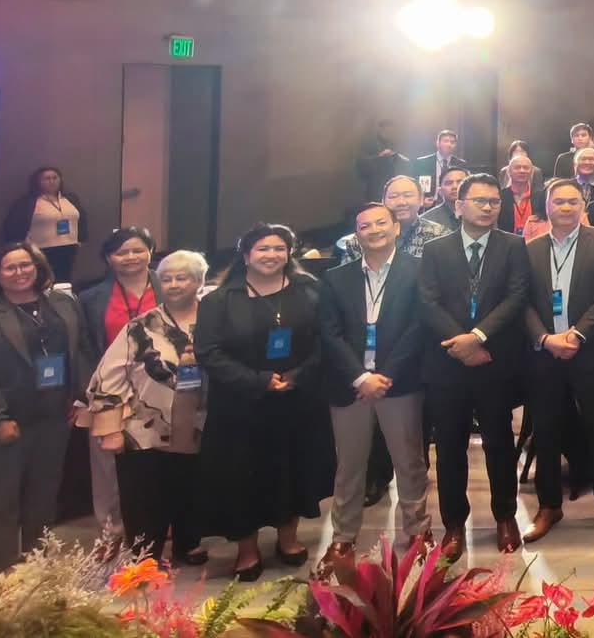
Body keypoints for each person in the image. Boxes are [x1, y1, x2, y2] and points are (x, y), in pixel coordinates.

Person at [196, 224, 335, 580]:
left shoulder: (311, 291)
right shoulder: (218, 300)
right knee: (242, 476)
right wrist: (257, 380)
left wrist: (298, 375)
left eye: (279, 248)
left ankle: (288, 539)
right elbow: (208, 352)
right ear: (246, 255)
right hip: (240, 405)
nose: (271, 255)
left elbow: (327, 341)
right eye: (262, 249)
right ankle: (246, 550)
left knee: (292, 469)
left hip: (297, 400)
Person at [416, 174, 531, 561]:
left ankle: (505, 516)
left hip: (494, 360)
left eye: (494, 201)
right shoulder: (435, 249)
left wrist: (479, 337)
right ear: (458, 205)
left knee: (500, 443)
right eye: (479, 200)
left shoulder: (513, 246)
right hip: (448, 362)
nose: (487, 207)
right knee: (450, 446)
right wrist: (462, 343)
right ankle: (453, 524)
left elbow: (516, 297)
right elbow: (427, 301)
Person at [316, 203, 431, 578]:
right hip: (351, 386)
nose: (375, 230)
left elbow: (419, 327)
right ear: (356, 235)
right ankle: (342, 539)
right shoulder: (336, 277)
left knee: (409, 462)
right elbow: (329, 333)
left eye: (382, 222)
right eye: (365, 226)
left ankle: (418, 532)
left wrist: (386, 375)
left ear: (397, 227)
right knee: (349, 466)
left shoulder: (419, 270)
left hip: (400, 383)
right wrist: (359, 376)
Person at [0, 243, 91, 571]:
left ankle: (37, 563)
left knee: (44, 495)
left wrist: (80, 398)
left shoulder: (64, 304)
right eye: (10, 267)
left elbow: (81, 350)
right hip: (7, 422)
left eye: (26, 265)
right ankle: (4, 568)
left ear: (38, 267)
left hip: (55, 417)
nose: (20, 272)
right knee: (1, 500)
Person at [519, 180, 594, 542]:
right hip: (546, 353)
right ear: (547, 206)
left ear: (583, 205)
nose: (566, 208)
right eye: (559, 202)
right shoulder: (530, 249)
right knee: (546, 431)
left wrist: (577, 335)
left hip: (591, 350)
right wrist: (545, 339)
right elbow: (522, 301)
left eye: (572, 202)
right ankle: (549, 505)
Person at [87, 249, 208, 567]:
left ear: (199, 281)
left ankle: (188, 543)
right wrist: (110, 428)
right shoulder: (140, 326)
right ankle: (145, 557)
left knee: (191, 486)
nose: (174, 284)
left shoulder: (215, 320)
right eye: (166, 279)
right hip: (146, 426)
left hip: (200, 423)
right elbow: (107, 376)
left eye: (182, 278)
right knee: (143, 496)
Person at [78, 226, 159, 553]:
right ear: (108, 258)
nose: (130, 257)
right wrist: (92, 391)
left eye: (138, 250)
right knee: (106, 465)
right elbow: (83, 347)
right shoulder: (90, 298)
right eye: (121, 252)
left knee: (158, 461)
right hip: (110, 390)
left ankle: (158, 524)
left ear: (151, 252)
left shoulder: (170, 286)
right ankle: (111, 531)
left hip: (159, 388)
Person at [1, 166, 89, 284]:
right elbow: (14, 225)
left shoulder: (70, 199)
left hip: (68, 246)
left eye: (55, 178)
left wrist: (81, 238)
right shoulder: (28, 202)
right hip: (41, 249)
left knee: (64, 281)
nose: (52, 181)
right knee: (43, 280)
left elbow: (81, 218)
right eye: (47, 179)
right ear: (38, 181)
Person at [413, 130, 467, 207]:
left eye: (452, 142)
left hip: (453, 204)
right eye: (446, 141)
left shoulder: (461, 164)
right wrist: (422, 199)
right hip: (429, 203)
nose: (449, 144)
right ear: (437, 143)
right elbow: (415, 184)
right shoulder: (423, 163)